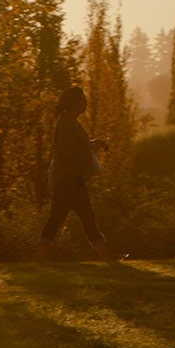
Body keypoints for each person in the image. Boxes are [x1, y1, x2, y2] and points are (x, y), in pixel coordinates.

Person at [39, 86, 117, 263]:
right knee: (79, 217)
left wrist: (94, 143)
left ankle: (41, 254)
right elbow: (70, 151)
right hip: (68, 180)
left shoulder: (70, 122)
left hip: (72, 179)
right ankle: (106, 257)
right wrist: (91, 147)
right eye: (83, 100)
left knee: (64, 217)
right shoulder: (66, 123)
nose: (86, 103)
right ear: (74, 103)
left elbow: (77, 145)